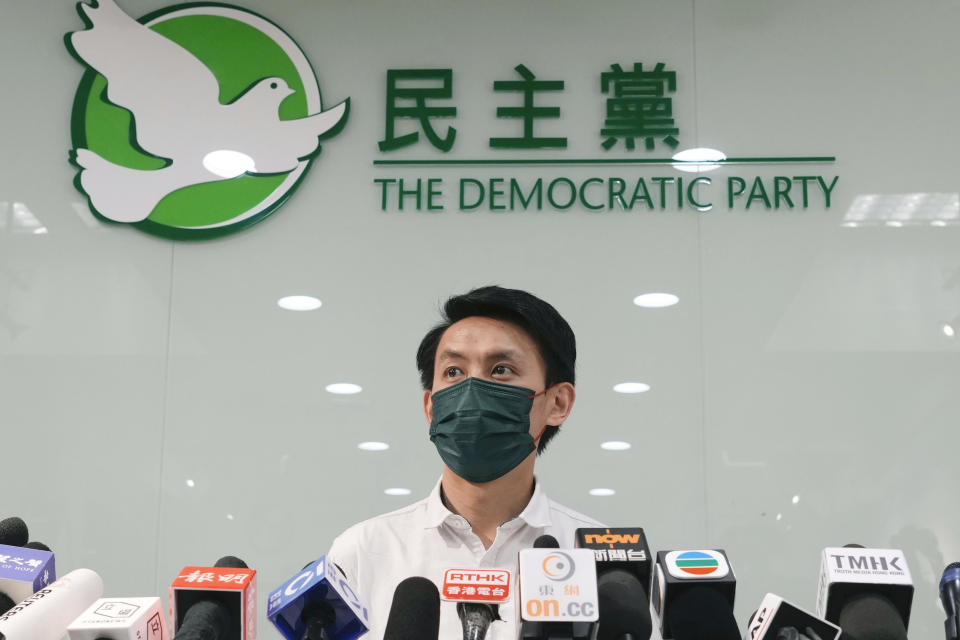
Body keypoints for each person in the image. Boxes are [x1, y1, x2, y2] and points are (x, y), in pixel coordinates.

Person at [327, 286, 603, 640]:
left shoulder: (595, 559)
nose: (471, 391)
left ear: (558, 403)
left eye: (501, 369)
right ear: (431, 407)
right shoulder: (364, 551)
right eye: (454, 372)